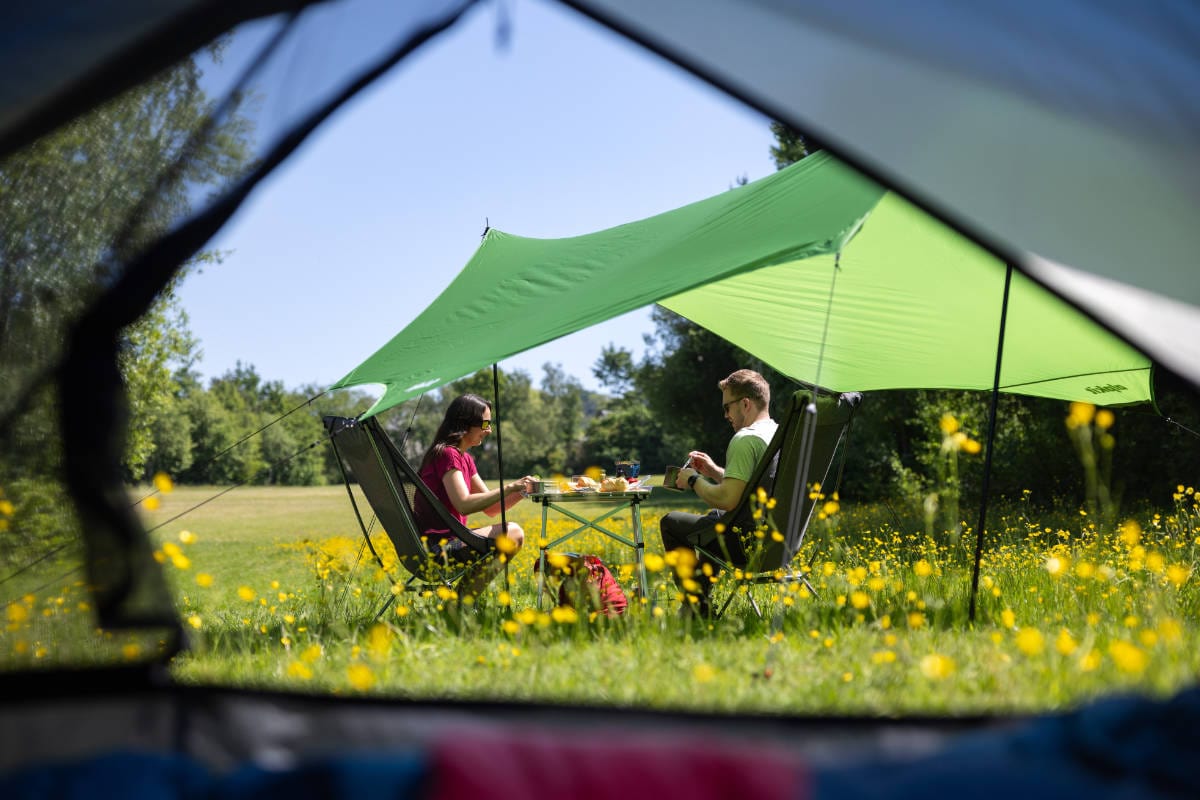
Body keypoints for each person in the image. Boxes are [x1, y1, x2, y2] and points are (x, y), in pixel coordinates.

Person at [660, 369, 779, 617]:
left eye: (727, 408)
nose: (725, 415)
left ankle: (696, 606)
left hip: (748, 545)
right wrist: (714, 472)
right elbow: (754, 484)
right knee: (715, 518)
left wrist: (694, 480)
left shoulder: (745, 439)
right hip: (781, 541)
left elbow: (728, 499)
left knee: (671, 522)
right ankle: (698, 605)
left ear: (745, 404)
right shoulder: (777, 434)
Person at [414, 394, 534, 589]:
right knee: (512, 532)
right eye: (485, 423)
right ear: (465, 423)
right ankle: (461, 603)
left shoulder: (464, 458)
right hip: (437, 549)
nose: (489, 430)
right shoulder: (446, 454)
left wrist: (522, 491)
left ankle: (460, 603)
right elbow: (464, 504)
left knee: (512, 532)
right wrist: (510, 486)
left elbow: (492, 509)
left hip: (451, 542)